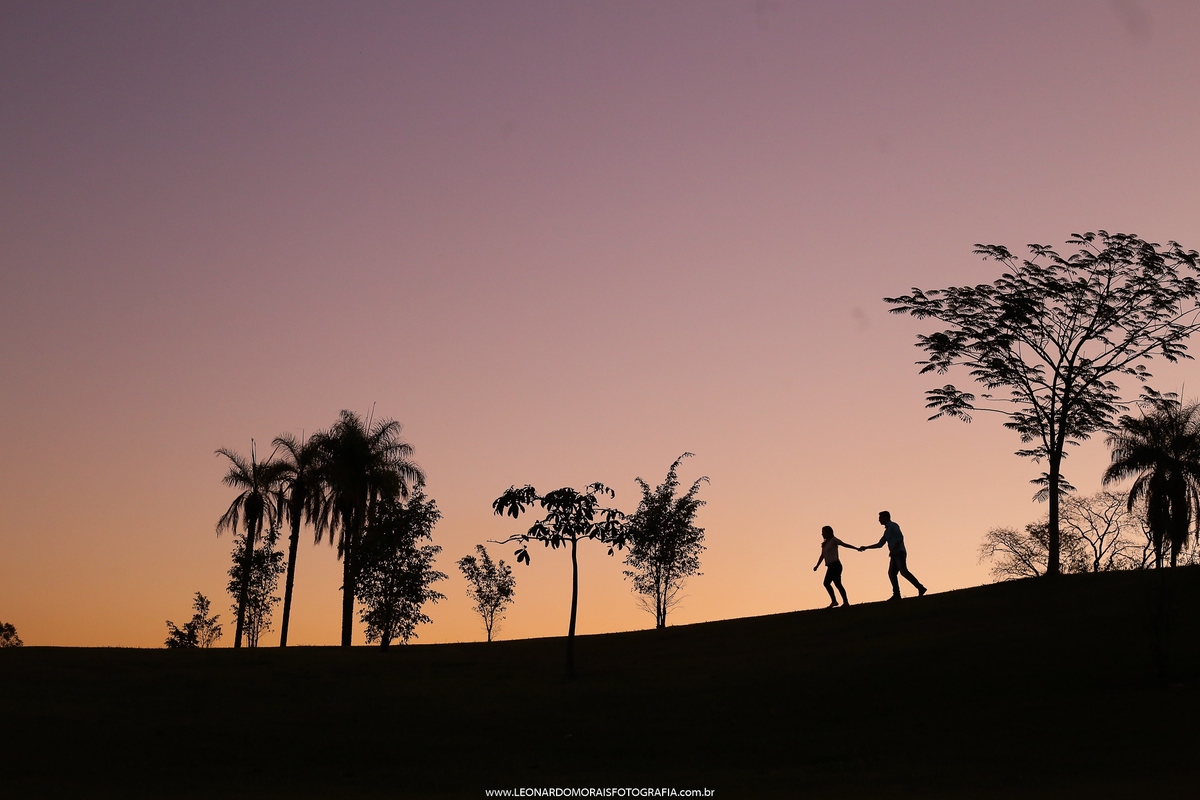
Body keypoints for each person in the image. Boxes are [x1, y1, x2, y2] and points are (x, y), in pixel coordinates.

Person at [860, 510, 927, 600]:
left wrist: (894, 549)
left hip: (899, 552)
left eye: (880, 518)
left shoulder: (893, 526)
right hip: (894, 554)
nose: (879, 520)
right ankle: (897, 594)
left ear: (885, 517)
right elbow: (880, 544)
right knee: (892, 573)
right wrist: (866, 547)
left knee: (903, 571)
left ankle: (920, 588)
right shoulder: (887, 531)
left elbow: (900, 537)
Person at [812, 525, 857, 608]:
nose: (822, 534)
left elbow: (844, 544)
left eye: (823, 532)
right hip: (830, 566)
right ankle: (841, 602)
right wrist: (817, 566)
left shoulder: (834, 540)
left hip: (835, 565)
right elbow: (822, 556)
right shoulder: (825, 544)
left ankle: (838, 601)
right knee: (836, 584)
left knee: (828, 583)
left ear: (828, 532)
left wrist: (856, 548)